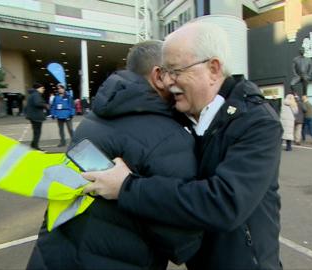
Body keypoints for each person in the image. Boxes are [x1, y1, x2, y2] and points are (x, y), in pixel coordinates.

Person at [82, 21, 283, 270]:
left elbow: (225, 203)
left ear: (213, 69)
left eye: (175, 71)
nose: (167, 82)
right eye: (164, 72)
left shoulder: (257, 122)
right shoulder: (179, 114)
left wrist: (126, 187)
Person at [27, 40, 202, 270]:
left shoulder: (94, 118)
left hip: (51, 255)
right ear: (159, 76)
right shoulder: (169, 138)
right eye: (177, 71)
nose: (181, 80)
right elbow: (182, 242)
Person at [25, 82, 47, 150]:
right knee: (37, 132)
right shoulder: (36, 94)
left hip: (33, 116)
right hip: (36, 116)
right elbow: (37, 103)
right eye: (42, 88)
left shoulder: (32, 94)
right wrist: (45, 105)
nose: (43, 89)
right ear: (38, 88)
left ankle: (33, 145)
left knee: (36, 132)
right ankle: (35, 146)